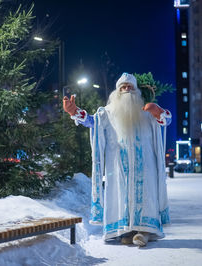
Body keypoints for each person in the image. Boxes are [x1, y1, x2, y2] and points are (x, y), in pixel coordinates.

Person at [63, 73, 172, 247]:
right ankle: (126, 231)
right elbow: (93, 122)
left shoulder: (145, 111)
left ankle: (145, 231)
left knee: (146, 199)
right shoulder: (108, 113)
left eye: (130, 87)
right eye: (123, 87)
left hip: (145, 168)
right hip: (118, 168)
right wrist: (76, 113)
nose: (126, 89)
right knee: (121, 198)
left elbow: (164, 120)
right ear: (117, 91)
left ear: (136, 90)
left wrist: (159, 112)